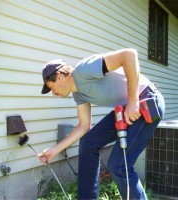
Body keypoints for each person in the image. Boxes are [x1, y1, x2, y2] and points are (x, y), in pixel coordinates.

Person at [38, 48, 165, 200]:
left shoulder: (84, 70)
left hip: (146, 100)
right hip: (126, 109)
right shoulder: (78, 95)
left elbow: (129, 55)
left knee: (118, 165)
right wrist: (53, 151)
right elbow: (84, 126)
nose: (53, 93)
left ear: (59, 76)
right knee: (88, 142)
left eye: (51, 88)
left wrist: (133, 101)